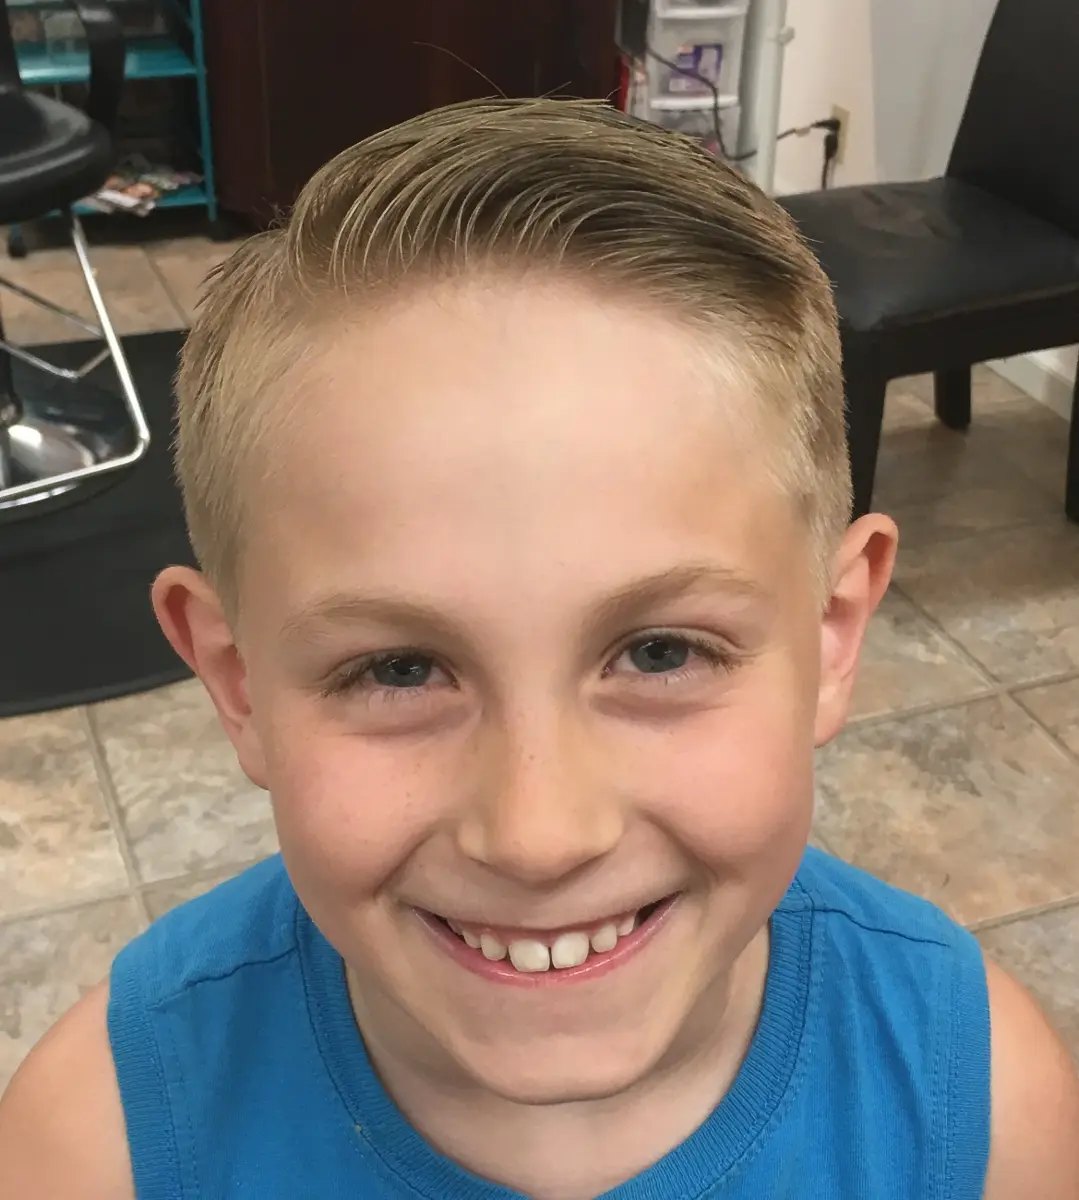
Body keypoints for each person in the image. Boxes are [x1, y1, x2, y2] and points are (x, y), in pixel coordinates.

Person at [1, 98, 1077, 1200]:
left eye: (660, 653)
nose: (537, 836)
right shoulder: (96, 1148)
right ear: (236, 684)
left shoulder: (985, 1114)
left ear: (830, 635)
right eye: (399, 669)